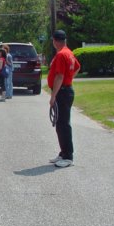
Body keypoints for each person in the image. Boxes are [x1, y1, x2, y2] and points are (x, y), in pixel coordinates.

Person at [48, 29, 81, 168]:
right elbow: (77, 68)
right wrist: (69, 79)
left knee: (63, 124)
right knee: (60, 124)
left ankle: (68, 156)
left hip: (62, 92)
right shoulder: (69, 53)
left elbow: (59, 76)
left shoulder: (62, 55)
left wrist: (53, 95)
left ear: (55, 41)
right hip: (66, 89)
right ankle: (63, 152)